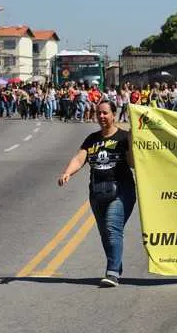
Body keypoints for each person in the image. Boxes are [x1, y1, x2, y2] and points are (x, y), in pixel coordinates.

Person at [57, 99, 136, 287]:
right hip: (97, 192)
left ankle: (112, 272)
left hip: (122, 191)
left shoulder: (124, 137)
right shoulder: (92, 139)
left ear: (114, 115)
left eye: (105, 113)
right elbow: (79, 159)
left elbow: (132, 163)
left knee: (112, 227)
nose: (101, 116)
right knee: (105, 234)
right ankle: (116, 264)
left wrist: (132, 140)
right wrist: (67, 173)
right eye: (98, 113)